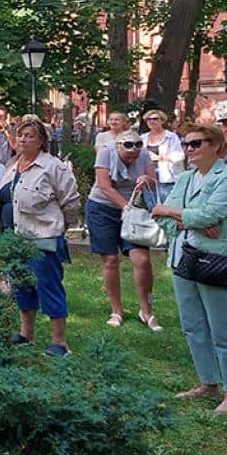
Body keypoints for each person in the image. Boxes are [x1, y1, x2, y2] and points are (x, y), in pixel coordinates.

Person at [151, 123, 227, 414]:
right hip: (181, 258)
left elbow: (211, 213)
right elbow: (163, 219)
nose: (189, 149)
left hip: (214, 261)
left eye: (196, 143)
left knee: (222, 329)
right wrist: (187, 220)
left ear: (215, 145)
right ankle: (208, 384)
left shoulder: (224, 177)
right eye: (186, 144)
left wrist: (173, 212)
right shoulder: (184, 178)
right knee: (192, 325)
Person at [0, 116, 81, 356]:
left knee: (48, 286)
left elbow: (71, 201)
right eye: (20, 135)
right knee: (21, 286)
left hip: (42, 238)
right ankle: (27, 334)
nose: (23, 139)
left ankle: (59, 342)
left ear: (41, 141)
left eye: (29, 136)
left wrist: (60, 226)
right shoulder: (12, 165)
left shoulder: (52, 166)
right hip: (13, 238)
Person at [87, 129, 161, 330]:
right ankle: (116, 311)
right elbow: (105, 186)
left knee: (143, 260)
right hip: (103, 208)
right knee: (111, 260)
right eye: (128, 155)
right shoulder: (106, 151)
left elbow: (154, 182)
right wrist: (127, 209)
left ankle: (146, 311)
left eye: (135, 156)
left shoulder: (143, 153)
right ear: (118, 148)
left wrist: (146, 180)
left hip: (134, 209)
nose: (132, 158)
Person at [142, 110, 184, 202]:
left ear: (162, 121)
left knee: (168, 205)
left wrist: (159, 157)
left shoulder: (171, 137)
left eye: (155, 119)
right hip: (149, 177)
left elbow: (179, 156)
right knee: (151, 206)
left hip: (167, 177)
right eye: (148, 119)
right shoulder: (142, 138)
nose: (152, 121)